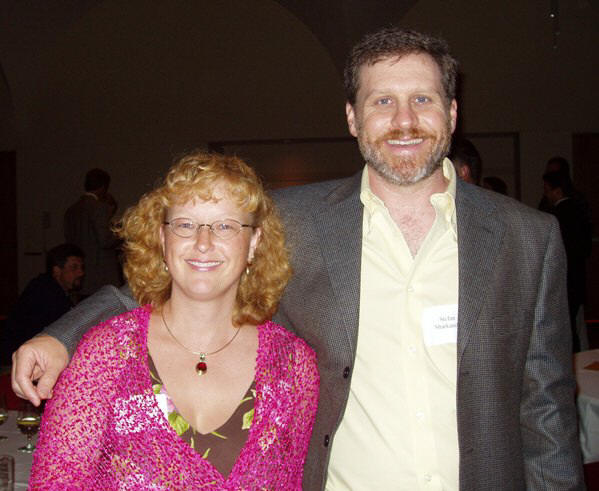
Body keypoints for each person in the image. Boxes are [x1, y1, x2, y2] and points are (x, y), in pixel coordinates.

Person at [14, 27, 582, 490]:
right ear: (353, 118)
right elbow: (179, 283)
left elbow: (548, 414)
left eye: (422, 99)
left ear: (452, 113)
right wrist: (62, 336)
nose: (404, 120)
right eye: (382, 101)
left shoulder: (528, 238)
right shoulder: (299, 222)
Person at [28, 152, 319, 489]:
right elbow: (56, 482)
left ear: (254, 242)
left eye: (225, 226)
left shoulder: (293, 366)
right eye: (185, 225)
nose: (203, 243)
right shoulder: (106, 354)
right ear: (163, 239)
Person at [0, 243, 83, 363]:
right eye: (74, 267)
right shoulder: (45, 292)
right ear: (56, 270)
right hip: (18, 361)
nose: (81, 273)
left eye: (81, 267)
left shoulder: (51, 288)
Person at [543, 170, 592, 352]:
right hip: (577, 276)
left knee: (565, 327)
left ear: (557, 191)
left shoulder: (555, 217)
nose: (545, 195)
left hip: (564, 278)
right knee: (574, 324)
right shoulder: (580, 210)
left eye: (547, 190)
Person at [64, 167, 121, 296]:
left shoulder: (71, 210)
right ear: (103, 187)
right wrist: (121, 233)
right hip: (100, 273)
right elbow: (105, 240)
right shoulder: (99, 208)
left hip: (79, 272)